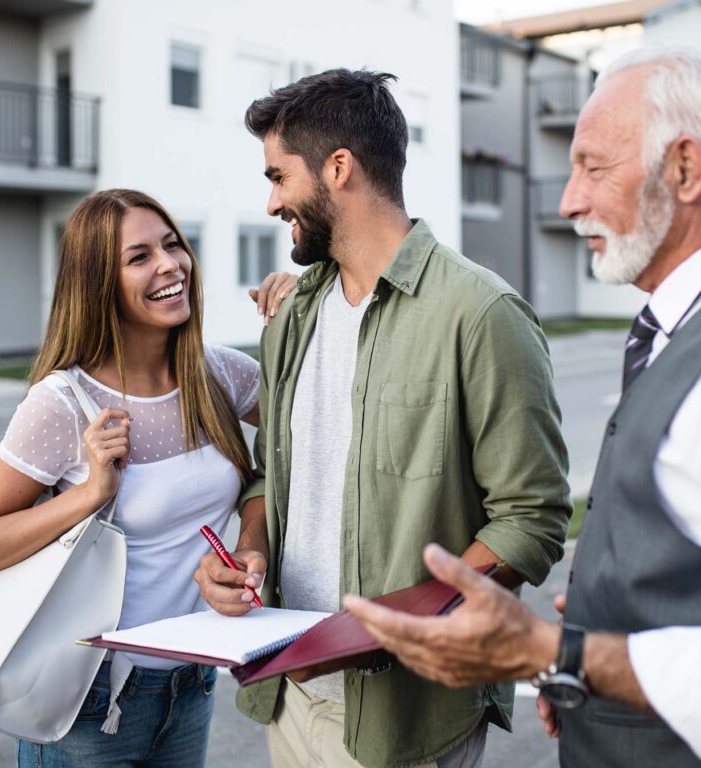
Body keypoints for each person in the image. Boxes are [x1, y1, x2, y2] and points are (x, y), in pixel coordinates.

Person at [194, 69, 572, 768]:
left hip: (411, 718)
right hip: (290, 697)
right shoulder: (291, 319)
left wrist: (389, 630)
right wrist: (250, 549)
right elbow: (268, 476)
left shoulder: (481, 314)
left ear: (339, 168)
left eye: (280, 176)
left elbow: (531, 516)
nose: (272, 201)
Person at [343, 47, 701, 767]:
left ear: (686, 169)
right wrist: (589, 654)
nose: (569, 200)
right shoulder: (667, 334)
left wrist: (549, 649)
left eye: (594, 168)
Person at [0, 188, 297, 768]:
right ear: (98, 285)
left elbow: (308, 432)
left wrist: (302, 306)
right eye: (139, 257)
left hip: (191, 683)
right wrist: (90, 493)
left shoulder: (219, 374)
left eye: (172, 245)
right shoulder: (64, 402)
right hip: (89, 700)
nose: (169, 265)